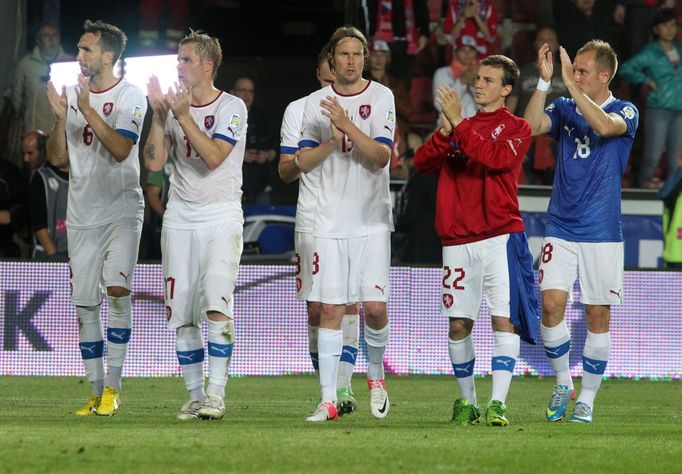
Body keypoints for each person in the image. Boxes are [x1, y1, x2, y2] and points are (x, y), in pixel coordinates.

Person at [413, 55, 538, 427]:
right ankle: (467, 402)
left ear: (506, 89)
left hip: (500, 237)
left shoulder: (517, 129)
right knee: (458, 325)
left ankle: (498, 403)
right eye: (478, 78)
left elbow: (494, 159)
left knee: (504, 321)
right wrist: (445, 131)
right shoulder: (458, 126)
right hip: (457, 239)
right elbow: (422, 163)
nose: (479, 84)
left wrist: (459, 124)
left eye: (488, 80)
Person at [523, 39, 639, 423]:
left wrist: (571, 89)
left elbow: (605, 127)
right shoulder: (566, 106)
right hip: (560, 225)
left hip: (602, 231)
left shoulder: (626, 110)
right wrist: (544, 84)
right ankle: (562, 382)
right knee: (551, 305)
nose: (575, 76)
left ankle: (587, 397)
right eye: (574, 71)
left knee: (597, 315)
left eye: (582, 71)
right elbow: (531, 126)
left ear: (604, 75)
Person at [46, 20, 147, 416]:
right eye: (79, 48)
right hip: (82, 214)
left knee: (118, 291)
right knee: (86, 306)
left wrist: (86, 109)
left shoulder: (131, 95)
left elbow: (122, 148)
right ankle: (94, 390)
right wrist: (59, 119)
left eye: (87, 49)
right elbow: (56, 158)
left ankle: (114, 389)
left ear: (108, 56)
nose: (79, 55)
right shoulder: (70, 96)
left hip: (122, 211)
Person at [144, 31, 247, 421]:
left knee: (216, 304)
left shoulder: (232, 106)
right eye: (178, 60)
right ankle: (193, 394)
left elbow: (215, 156)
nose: (179, 66)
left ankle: (216, 394)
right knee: (181, 311)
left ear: (207, 65)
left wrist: (183, 116)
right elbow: (154, 163)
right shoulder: (171, 109)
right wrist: (159, 118)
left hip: (221, 217)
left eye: (186, 60)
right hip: (180, 219)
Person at [298, 26, 395, 422]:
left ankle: (375, 375)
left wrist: (346, 125)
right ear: (332, 61)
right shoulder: (314, 103)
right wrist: (328, 141)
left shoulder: (381, 96)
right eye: (344, 55)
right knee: (331, 310)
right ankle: (329, 399)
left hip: (370, 219)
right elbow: (301, 162)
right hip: (328, 220)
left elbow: (381, 156)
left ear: (365, 59)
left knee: (373, 308)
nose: (351, 61)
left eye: (357, 54)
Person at [278, 47, 362, 415]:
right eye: (329, 73)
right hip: (312, 219)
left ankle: (342, 389)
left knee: (348, 303)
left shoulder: (366, 104)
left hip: (354, 219)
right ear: (320, 73)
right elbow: (285, 170)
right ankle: (327, 383)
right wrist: (327, 142)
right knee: (317, 308)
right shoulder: (298, 110)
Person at [619, 7, 682, 187]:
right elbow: (625, 69)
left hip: (680, 111)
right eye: (664, 26)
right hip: (659, 110)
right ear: (656, 29)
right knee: (652, 157)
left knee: (674, 161)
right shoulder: (650, 52)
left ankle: (670, 198)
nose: (669, 29)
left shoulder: (680, 49)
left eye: (672, 25)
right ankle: (641, 198)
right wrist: (646, 80)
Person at [507, 26, 568, 185]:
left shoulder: (567, 73)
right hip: (527, 136)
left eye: (550, 40)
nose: (546, 43)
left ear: (557, 44)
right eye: (542, 39)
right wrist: (512, 140)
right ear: (535, 44)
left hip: (557, 138)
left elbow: (577, 108)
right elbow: (509, 111)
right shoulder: (522, 72)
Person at [9, 23, 71, 168]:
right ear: (38, 40)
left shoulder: (71, 62)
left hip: (62, 135)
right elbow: (16, 101)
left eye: (55, 35)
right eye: (46, 36)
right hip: (34, 137)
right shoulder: (25, 65)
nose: (51, 39)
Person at [356, 0, 431, 87]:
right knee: (375, 82)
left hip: (406, 43)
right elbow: (364, 10)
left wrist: (424, 32)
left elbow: (420, 6)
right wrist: (362, 37)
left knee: (402, 83)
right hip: (378, 41)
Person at [231, 77, 277, 205]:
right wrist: (240, 155)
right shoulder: (225, 118)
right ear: (233, 93)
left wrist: (266, 155)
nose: (247, 95)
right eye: (242, 90)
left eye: (250, 91)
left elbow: (276, 150)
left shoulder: (263, 120)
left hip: (260, 188)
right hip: (232, 188)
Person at [25, 130, 69, 258]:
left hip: (76, 252)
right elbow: (39, 226)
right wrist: (55, 258)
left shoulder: (81, 178)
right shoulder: (41, 177)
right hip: (50, 254)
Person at [432, 38, 478, 119]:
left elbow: (487, 107)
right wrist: (461, 82)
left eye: (471, 50)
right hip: (450, 125)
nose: (467, 54)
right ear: (454, 53)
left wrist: (474, 87)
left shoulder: (482, 73)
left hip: (477, 125)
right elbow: (440, 105)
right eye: (463, 50)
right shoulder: (442, 73)